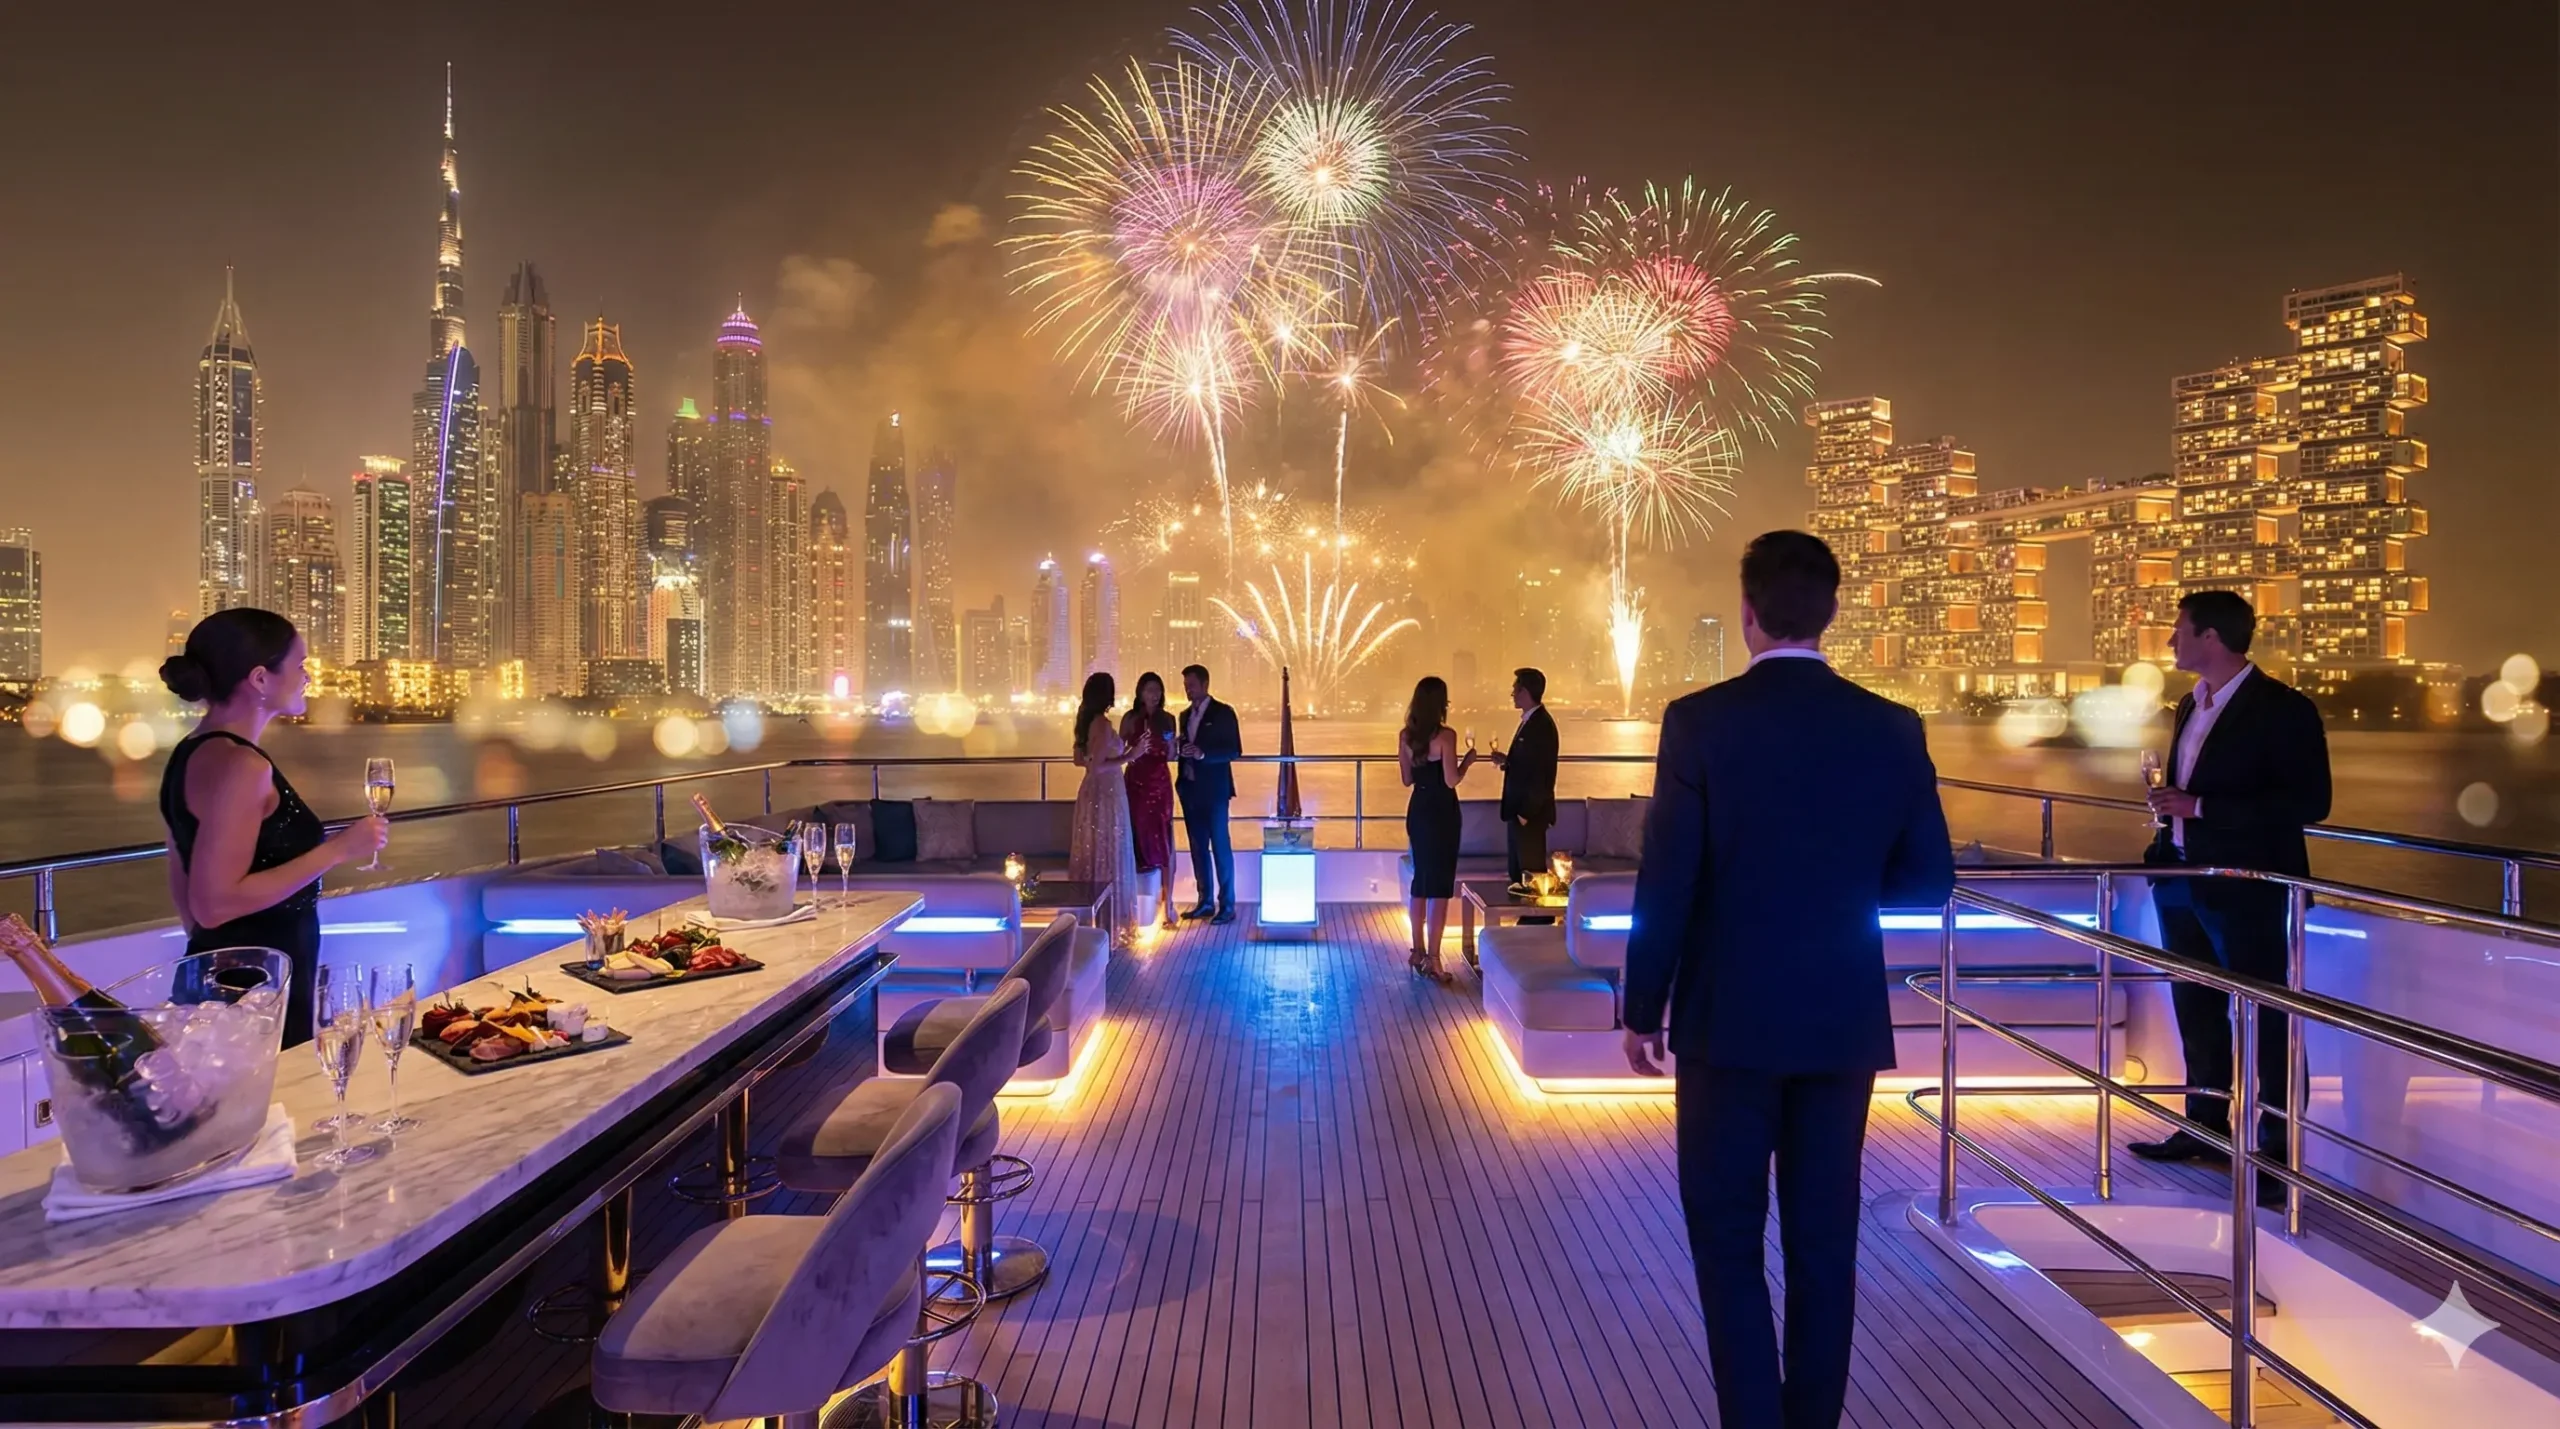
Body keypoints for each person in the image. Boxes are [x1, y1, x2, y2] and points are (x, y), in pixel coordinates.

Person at [1621, 530, 1954, 1429]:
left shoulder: (1699, 721)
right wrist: (1838, 889)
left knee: (1726, 1241)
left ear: (1747, 615)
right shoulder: (1893, 727)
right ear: (1833, 613)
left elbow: (1670, 877)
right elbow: (1930, 878)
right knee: (1823, 1242)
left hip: (1727, 1019)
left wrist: (1641, 1007)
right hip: (1840, 1017)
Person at [2130, 590, 2331, 1200]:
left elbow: (2309, 804)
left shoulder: (2284, 709)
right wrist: (2174, 821)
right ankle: (2205, 1125)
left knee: (2268, 1018)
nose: (2171, 642)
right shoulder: (2189, 706)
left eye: (2179, 630)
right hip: (2184, 877)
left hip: (2248, 888)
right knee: (2196, 1009)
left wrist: (2202, 806)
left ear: (2211, 638)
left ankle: (2277, 1153)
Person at [157, 609, 389, 1047]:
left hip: (226, 982)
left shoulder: (191, 753)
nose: (307, 678)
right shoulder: (241, 765)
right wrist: (340, 849)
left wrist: (215, 947)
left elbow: (182, 876)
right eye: (300, 665)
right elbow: (212, 904)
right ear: (260, 679)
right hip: (252, 994)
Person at [1398, 675, 1478, 983]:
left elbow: (1407, 780)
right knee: (1440, 887)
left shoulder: (1406, 736)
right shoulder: (1446, 736)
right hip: (1442, 813)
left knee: (1420, 882)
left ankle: (1417, 951)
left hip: (1418, 810)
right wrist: (1468, 761)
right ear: (1441, 704)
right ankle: (1433, 959)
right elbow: (1451, 780)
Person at [1067, 671, 1144, 948]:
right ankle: (1109, 926)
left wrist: (1103, 757)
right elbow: (1096, 766)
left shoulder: (1085, 722)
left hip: (1092, 792)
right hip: (1107, 793)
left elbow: (1080, 760)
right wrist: (1128, 756)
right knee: (1109, 852)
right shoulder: (1100, 723)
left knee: (1094, 853)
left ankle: (1091, 924)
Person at [1173, 664, 1242, 925]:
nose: (1188, 689)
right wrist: (1181, 749)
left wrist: (1203, 754)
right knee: (1198, 848)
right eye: (1185, 685)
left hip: (1214, 791)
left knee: (1220, 847)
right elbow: (1184, 745)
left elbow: (1234, 750)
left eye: (1191, 684)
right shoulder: (1184, 715)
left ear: (1205, 684)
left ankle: (1227, 905)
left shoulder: (1223, 713)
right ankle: (1204, 901)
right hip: (1190, 790)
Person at [1488, 667, 1559, 890]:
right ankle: (1525, 920)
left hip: (1529, 813)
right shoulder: (1530, 722)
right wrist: (1507, 762)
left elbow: (1543, 776)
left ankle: (1537, 921)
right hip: (1520, 811)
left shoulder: (1541, 726)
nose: (1512, 695)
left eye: (1515, 690)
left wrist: (1525, 813)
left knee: (1531, 874)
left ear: (1525, 692)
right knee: (1518, 872)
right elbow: (1530, 764)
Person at [1121, 671, 1180, 931]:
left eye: (1157, 690)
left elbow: (1170, 755)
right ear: (1139, 692)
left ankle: (1168, 903)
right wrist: (1133, 753)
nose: (1153, 694)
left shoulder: (1168, 719)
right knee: (1134, 836)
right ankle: (1133, 905)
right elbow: (1118, 750)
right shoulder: (1130, 719)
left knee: (1163, 837)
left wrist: (1172, 747)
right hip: (1135, 783)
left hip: (1159, 784)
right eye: (1148, 690)